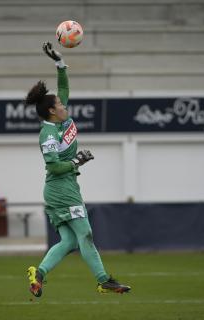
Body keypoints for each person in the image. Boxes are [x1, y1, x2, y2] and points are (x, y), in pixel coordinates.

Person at [24, 42, 131, 297]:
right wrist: (76, 162)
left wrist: (59, 62)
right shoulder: (48, 133)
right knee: (86, 234)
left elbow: (63, 87)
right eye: (60, 104)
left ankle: (38, 274)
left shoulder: (59, 121)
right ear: (51, 111)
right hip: (61, 188)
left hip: (65, 187)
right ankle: (104, 280)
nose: (64, 104)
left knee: (70, 241)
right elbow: (53, 166)